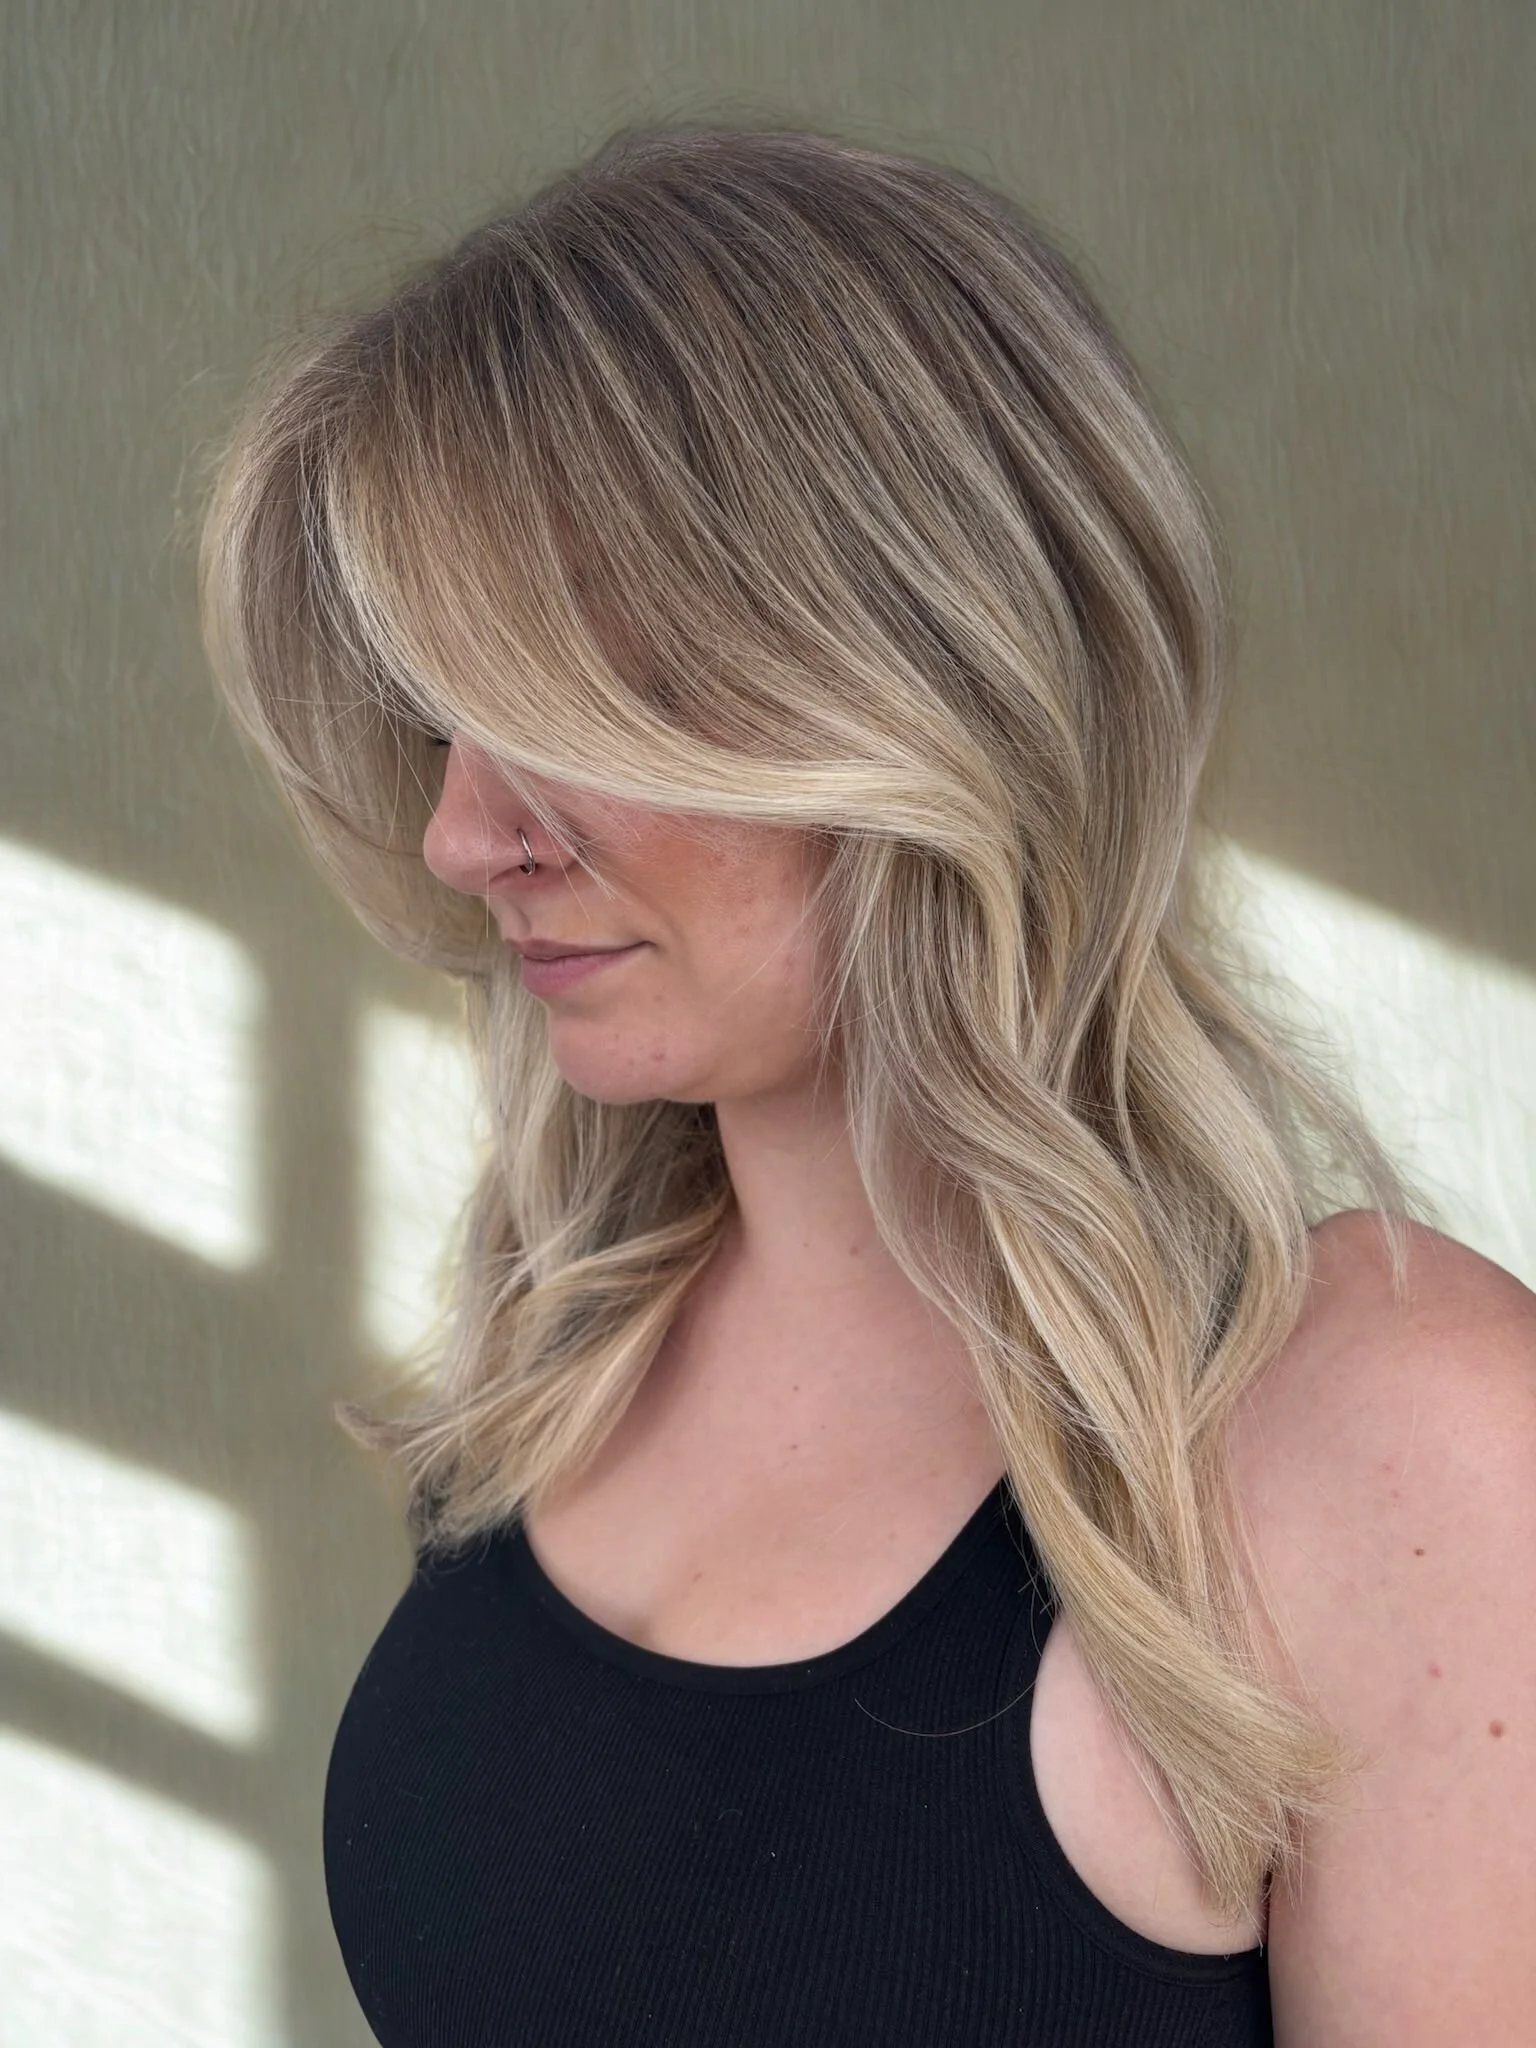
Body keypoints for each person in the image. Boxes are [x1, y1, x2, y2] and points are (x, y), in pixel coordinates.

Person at [199, 119, 1534, 2047]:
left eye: (573, 699)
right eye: (447, 715)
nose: (462, 834)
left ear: (919, 674)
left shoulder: (1396, 1438)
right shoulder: (571, 1340)